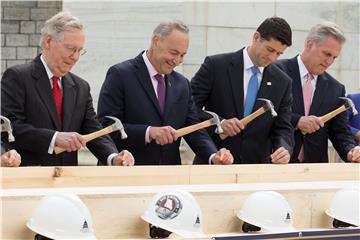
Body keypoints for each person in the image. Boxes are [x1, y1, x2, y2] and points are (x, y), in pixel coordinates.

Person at [1, 11, 134, 166]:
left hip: (67, 181)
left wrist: (114, 157)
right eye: (71, 48)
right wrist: (54, 138)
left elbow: (93, 130)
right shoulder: (18, 77)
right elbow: (9, 129)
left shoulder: (81, 87)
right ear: (48, 42)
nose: (75, 57)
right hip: (29, 178)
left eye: (79, 51)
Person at [97, 20, 233, 165]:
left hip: (170, 176)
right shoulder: (120, 74)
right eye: (174, 53)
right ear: (156, 41)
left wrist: (213, 156)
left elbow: (193, 129)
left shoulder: (182, 84)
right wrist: (149, 132)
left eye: (182, 55)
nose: (177, 60)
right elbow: (106, 126)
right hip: (129, 172)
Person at [191, 17, 294, 164]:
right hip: (215, 163)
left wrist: (283, 149)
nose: (272, 57)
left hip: (257, 170)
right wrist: (219, 124)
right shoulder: (215, 66)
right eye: (270, 49)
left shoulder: (283, 82)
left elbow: (283, 127)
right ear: (256, 37)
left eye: (278, 54)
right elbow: (189, 109)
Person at [274, 22, 360, 163]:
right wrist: (297, 121)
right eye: (326, 54)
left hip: (315, 170)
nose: (329, 61)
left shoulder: (336, 88)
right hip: (276, 163)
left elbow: (340, 133)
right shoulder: (276, 72)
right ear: (309, 44)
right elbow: (262, 114)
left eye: (334, 57)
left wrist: (351, 151)